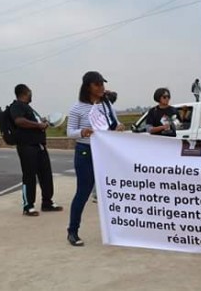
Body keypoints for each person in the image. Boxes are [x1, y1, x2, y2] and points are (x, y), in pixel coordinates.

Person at [66, 71, 125, 246]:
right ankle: (73, 231)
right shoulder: (77, 108)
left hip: (106, 152)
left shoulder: (107, 106)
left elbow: (114, 124)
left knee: (112, 190)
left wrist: (119, 127)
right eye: (97, 84)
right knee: (83, 192)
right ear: (88, 87)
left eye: (102, 84)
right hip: (86, 152)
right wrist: (82, 132)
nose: (101, 87)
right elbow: (70, 132)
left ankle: (117, 230)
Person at [10, 84, 63, 216]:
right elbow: (19, 121)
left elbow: (31, 121)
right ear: (25, 92)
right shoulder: (17, 106)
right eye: (30, 92)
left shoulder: (28, 108)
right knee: (29, 177)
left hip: (39, 146)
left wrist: (42, 121)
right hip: (27, 147)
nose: (31, 94)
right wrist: (38, 124)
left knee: (46, 175)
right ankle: (28, 206)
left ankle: (47, 202)